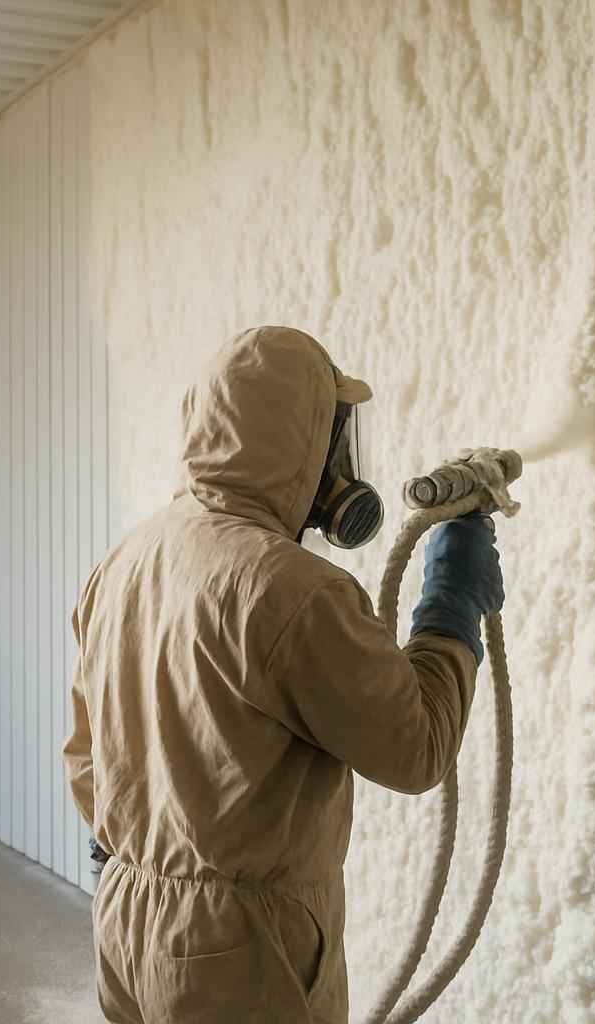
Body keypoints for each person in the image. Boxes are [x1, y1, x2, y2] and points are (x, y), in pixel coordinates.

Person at [62, 326, 503, 1023]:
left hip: (124, 918)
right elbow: (416, 750)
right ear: (303, 444)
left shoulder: (125, 562)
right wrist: (452, 607)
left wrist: (151, 853)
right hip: (243, 950)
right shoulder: (291, 589)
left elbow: (87, 761)